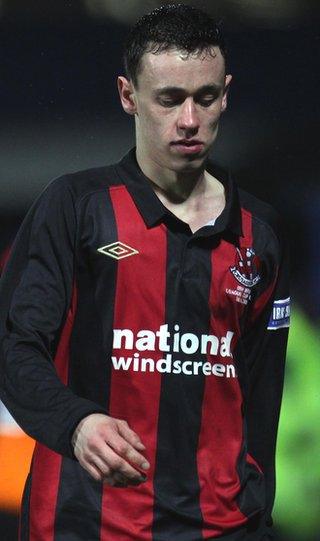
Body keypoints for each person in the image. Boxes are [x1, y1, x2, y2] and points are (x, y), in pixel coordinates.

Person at [0, 4, 290, 540]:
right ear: (128, 96)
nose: (189, 119)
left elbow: (263, 387)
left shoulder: (259, 234)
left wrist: (258, 503)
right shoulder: (76, 208)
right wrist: (76, 423)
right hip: (84, 523)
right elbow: (13, 347)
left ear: (225, 93)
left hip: (220, 527)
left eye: (205, 98)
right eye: (169, 99)